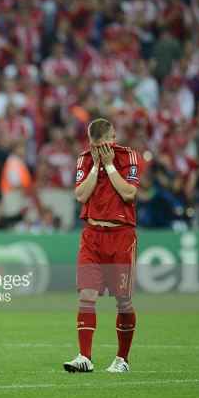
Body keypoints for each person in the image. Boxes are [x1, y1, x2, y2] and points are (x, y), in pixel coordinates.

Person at [64, 118, 141, 373]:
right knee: (86, 296)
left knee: (123, 301)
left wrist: (109, 166)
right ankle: (84, 357)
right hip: (92, 236)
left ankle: (122, 359)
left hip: (121, 236)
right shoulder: (85, 159)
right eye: (95, 147)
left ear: (113, 139)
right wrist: (96, 166)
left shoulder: (129, 156)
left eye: (103, 146)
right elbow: (81, 195)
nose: (99, 150)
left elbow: (128, 193)